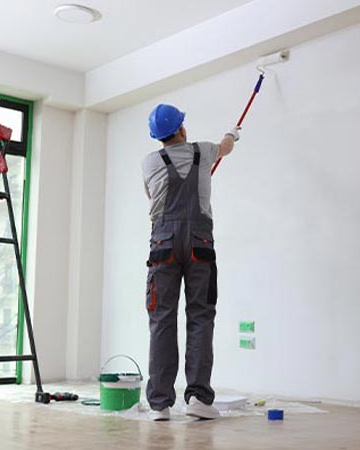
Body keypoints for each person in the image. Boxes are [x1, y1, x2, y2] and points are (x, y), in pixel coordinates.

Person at [141, 103, 238, 421]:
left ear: (159, 137)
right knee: (200, 317)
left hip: (163, 245)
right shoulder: (205, 151)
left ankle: (160, 405)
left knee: (162, 321)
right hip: (200, 244)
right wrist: (231, 135)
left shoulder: (149, 162)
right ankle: (198, 398)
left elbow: (152, 198)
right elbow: (226, 148)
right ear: (182, 129)